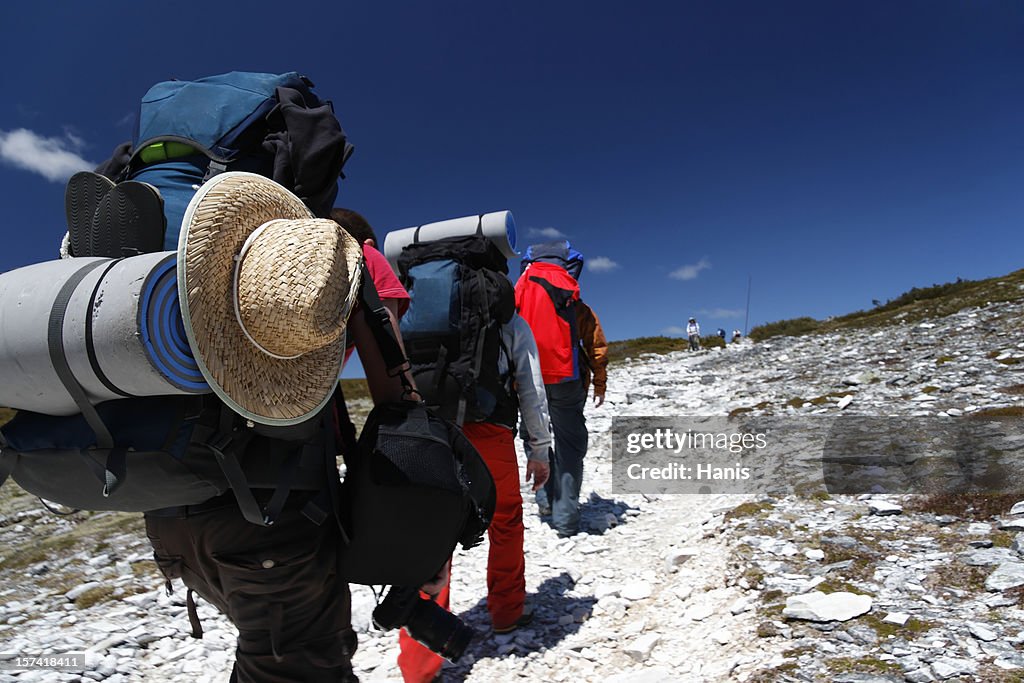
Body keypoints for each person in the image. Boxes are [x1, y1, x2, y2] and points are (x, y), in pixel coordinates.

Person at [144, 176, 435, 683]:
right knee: (298, 659)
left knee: (271, 655)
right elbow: (396, 395)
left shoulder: (190, 266)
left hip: (166, 509)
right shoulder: (357, 256)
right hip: (267, 521)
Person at [396, 309, 552, 683]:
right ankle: (507, 613)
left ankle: (420, 665)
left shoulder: (410, 309)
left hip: (427, 430)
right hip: (490, 434)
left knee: (430, 537)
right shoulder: (506, 318)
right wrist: (539, 448)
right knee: (506, 523)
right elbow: (530, 385)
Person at [515, 257, 608, 538]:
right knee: (570, 445)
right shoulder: (576, 305)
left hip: (528, 381)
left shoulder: (519, 301)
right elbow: (596, 345)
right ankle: (566, 519)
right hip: (568, 381)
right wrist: (600, 383)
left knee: (534, 436)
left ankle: (545, 502)